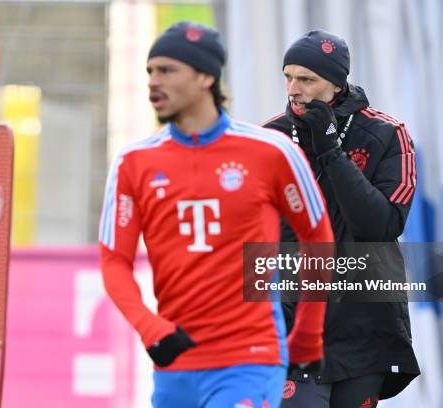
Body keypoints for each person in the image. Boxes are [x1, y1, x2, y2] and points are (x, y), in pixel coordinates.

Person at [99, 21, 334, 408]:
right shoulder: (133, 162)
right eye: (149, 72)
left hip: (250, 358)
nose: (153, 82)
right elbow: (113, 262)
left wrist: (308, 332)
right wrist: (150, 328)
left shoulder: (272, 151)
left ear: (207, 76)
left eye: (167, 70)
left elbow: (318, 238)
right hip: (176, 366)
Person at [263, 29, 420, 408]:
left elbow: (381, 226)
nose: (293, 89)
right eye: (288, 77)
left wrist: (331, 148)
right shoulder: (272, 138)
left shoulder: (387, 133)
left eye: (306, 79)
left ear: (335, 83)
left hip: (363, 327)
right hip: (293, 322)